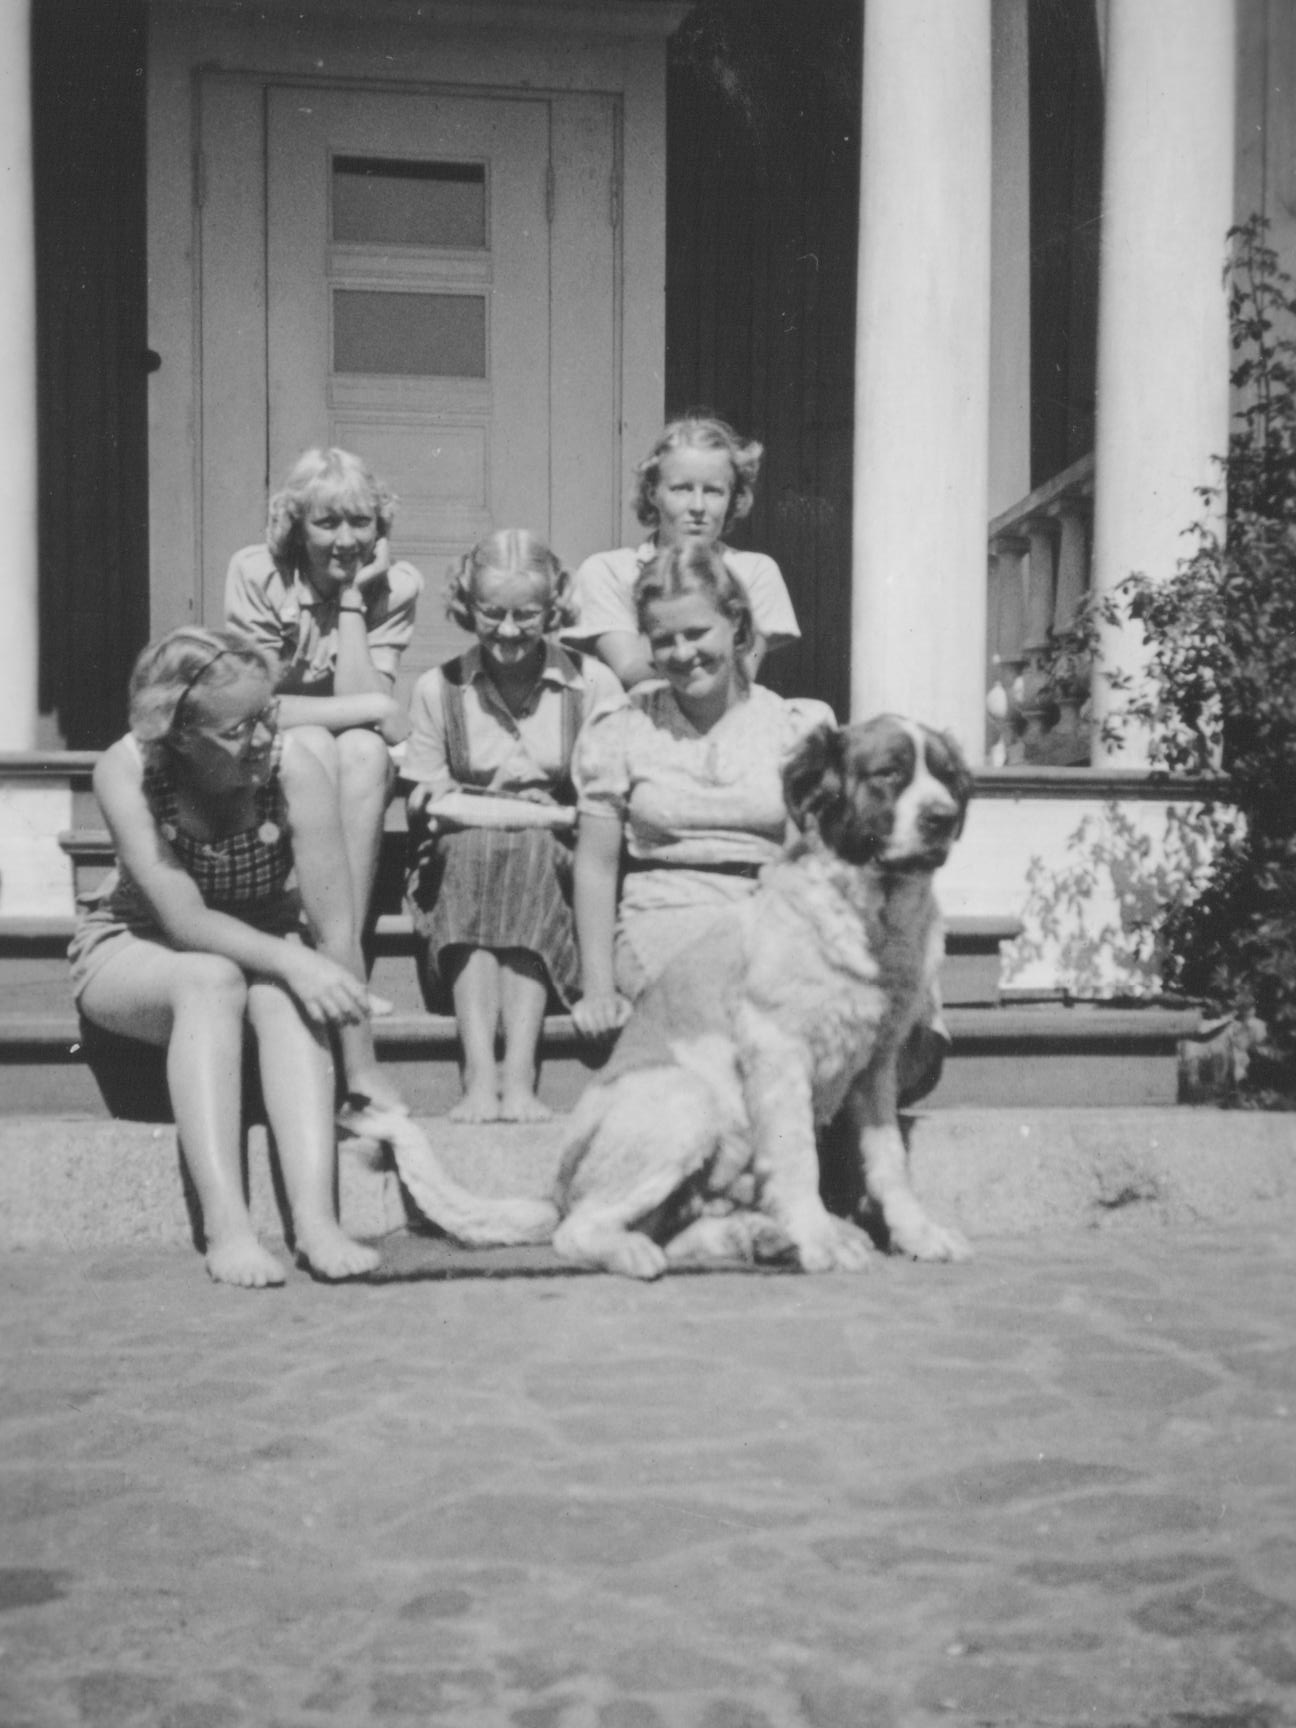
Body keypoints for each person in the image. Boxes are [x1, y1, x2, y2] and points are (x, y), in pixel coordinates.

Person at [69, 628, 406, 1289]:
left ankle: (317, 1223)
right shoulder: (127, 769)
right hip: (138, 947)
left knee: (284, 991)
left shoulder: (293, 767)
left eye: (266, 714)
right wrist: (294, 962)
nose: (260, 737)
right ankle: (228, 1228)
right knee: (213, 977)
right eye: (236, 729)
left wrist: (361, 1067)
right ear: (179, 734)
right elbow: (184, 920)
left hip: (260, 943)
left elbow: (335, 929)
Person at [403, 530, 625, 1123]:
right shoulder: (439, 688)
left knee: (525, 850)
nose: (506, 631)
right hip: (459, 860)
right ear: (466, 606)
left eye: (526, 615)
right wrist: (435, 799)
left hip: (556, 855)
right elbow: (421, 795)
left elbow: (604, 802)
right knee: (478, 848)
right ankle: (479, 1073)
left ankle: (519, 1072)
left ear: (554, 610)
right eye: (491, 613)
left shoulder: (593, 685)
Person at [569, 543, 833, 1038]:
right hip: (663, 916)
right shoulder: (621, 727)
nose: (682, 653)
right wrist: (598, 988)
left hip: (767, 914)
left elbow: (808, 863)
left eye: (696, 633)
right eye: (663, 640)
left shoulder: (794, 727)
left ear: (737, 625)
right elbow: (596, 866)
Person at [224, 446, 422, 942]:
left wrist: (352, 599)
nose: (347, 540)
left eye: (361, 522)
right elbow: (253, 708)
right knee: (310, 742)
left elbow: (366, 720)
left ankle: (339, 950)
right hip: (267, 755)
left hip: (351, 759)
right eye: (327, 523)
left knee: (364, 750)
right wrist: (376, 704)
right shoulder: (258, 574)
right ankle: (328, 949)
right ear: (297, 526)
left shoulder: (394, 587)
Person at [565, 413, 800, 691]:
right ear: (653, 493)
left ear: (733, 498)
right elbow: (629, 670)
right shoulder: (609, 572)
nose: (697, 506)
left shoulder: (754, 573)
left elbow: (741, 675)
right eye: (681, 489)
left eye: (713, 491)